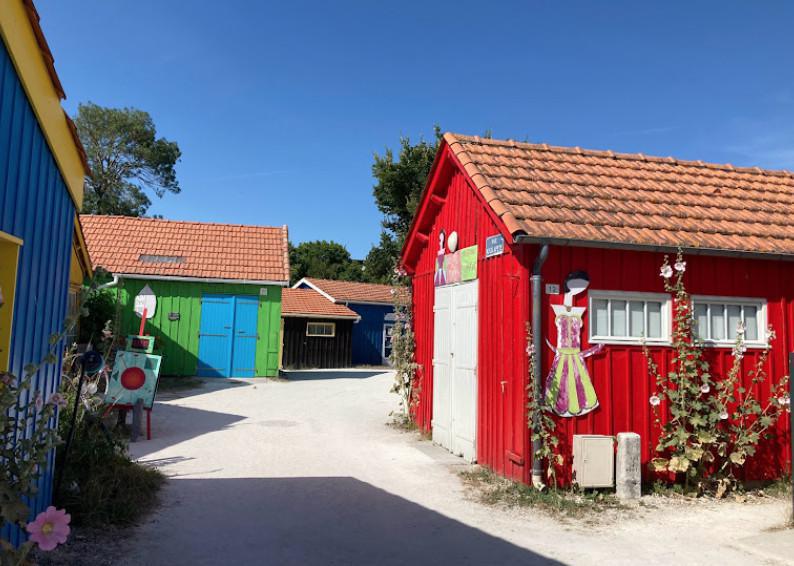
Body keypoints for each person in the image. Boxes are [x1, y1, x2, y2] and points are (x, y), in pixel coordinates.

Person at [544, 271, 603, 417]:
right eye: (579, 286)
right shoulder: (559, 310)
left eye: (583, 287)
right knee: (560, 382)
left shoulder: (578, 312)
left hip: (575, 354)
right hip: (563, 353)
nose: (580, 290)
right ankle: (557, 406)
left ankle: (576, 407)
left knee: (578, 383)